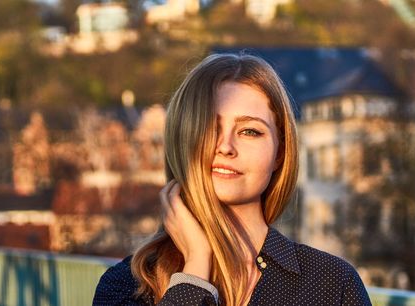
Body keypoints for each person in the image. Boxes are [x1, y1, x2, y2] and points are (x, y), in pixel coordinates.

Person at [93, 53, 372, 306]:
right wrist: (195, 268)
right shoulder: (127, 286)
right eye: (208, 128)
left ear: (279, 153)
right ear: (182, 141)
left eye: (250, 131)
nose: (225, 146)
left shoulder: (332, 284)